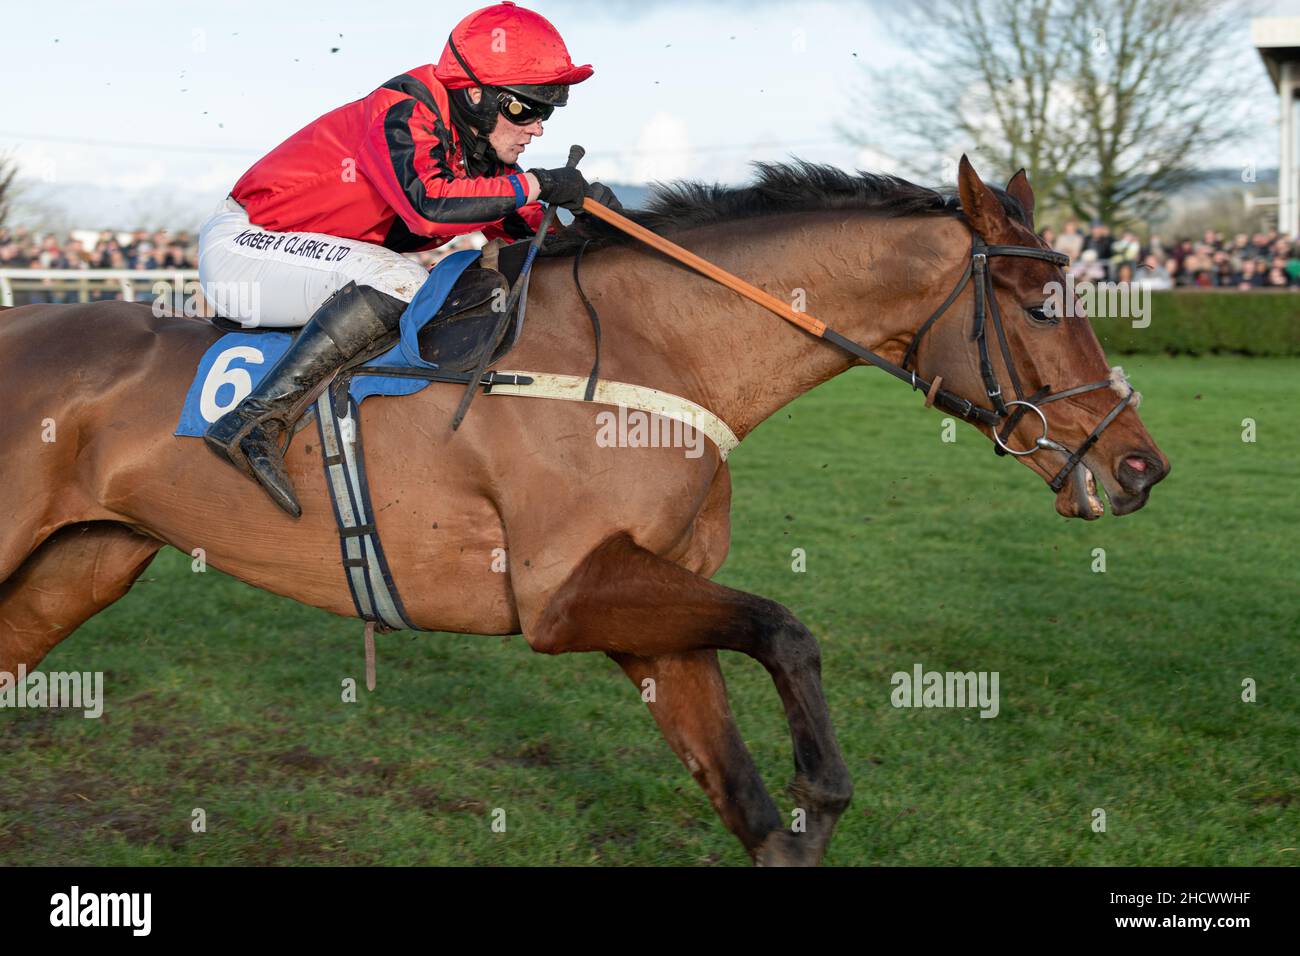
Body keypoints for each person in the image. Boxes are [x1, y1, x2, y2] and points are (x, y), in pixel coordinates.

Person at [198, 1, 621, 517]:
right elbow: (428, 209)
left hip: (312, 254)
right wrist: (535, 184)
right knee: (401, 278)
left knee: (404, 276)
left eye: (546, 113)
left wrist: (596, 226)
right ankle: (255, 421)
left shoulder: (475, 143)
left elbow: (525, 235)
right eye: (525, 109)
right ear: (476, 96)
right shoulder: (403, 108)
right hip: (247, 244)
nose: (536, 129)